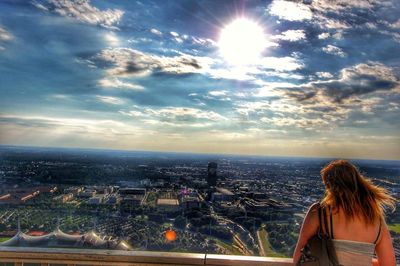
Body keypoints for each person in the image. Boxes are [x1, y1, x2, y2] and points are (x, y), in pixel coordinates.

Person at [293, 159, 396, 266]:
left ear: (330, 185)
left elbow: (299, 255)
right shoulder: (376, 218)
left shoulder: (320, 212)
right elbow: (389, 263)